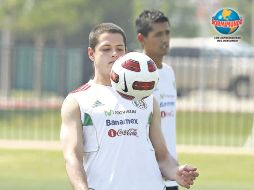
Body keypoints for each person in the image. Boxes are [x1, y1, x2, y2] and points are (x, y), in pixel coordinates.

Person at [60, 22, 198, 190]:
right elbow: (72, 156)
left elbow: (162, 157)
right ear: (91, 53)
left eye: (119, 49)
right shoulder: (77, 100)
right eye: (106, 49)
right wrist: (81, 188)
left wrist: (175, 172)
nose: (114, 54)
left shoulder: (146, 97)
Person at [136, 9, 179, 190]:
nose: (165, 39)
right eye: (158, 34)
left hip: (169, 172)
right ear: (141, 38)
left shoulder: (168, 72)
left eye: (167, 32)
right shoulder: (135, 74)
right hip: (144, 175)